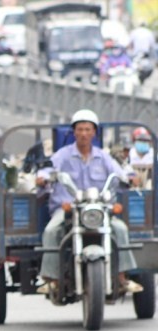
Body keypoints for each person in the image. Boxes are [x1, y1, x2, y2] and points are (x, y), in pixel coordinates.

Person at [35, 109, 143, 295]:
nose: (84, 133)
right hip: (69, 208)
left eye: (88, 129)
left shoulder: (103, 157)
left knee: (120, 229)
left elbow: (120, 174)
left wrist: (130, 178)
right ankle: (52, 281)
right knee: (51, 231)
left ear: (94, 132)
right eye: (80, 129)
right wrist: (43, 178)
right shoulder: (63, 155)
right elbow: (47, 170)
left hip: (99, 208)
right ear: (74, 132)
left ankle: (122, 278)